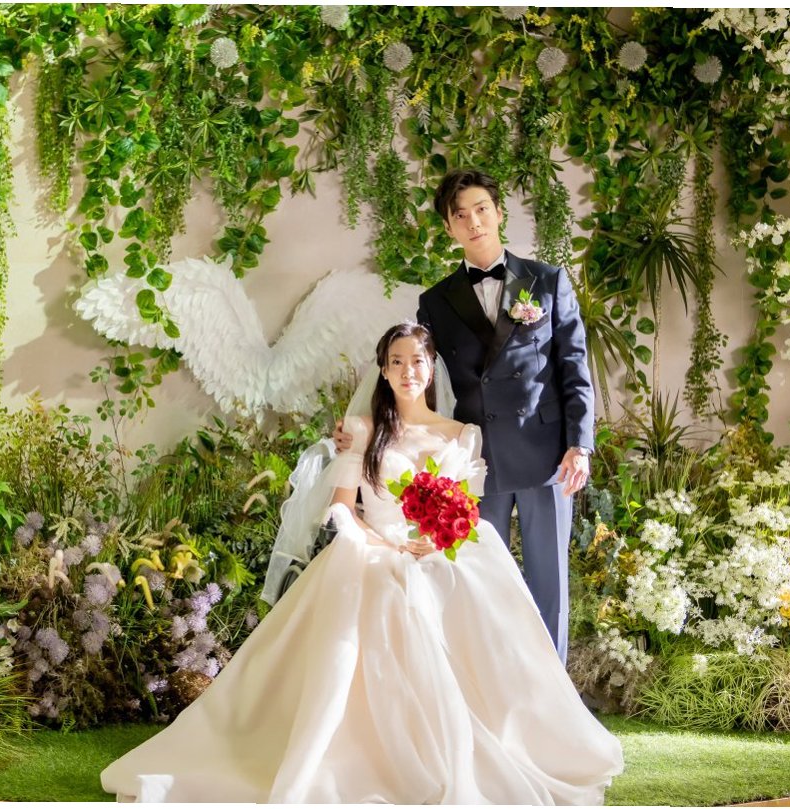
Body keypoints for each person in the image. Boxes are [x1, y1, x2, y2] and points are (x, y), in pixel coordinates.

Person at [100, 321, 622, 804]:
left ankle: (479, 744)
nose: (408, 371)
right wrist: (382, 545)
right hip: (374, 548)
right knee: (382, 595)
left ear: (431, 366)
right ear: (383, 370)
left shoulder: (462, 434)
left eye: (417, 361)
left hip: (438, 550)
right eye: (396, 362)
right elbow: (342, 508)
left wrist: (440, 538)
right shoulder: (363, 429)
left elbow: (466, 509)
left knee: (465, 595)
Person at [336, 168, 595, 664]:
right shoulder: (435, 301)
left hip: (546, 457)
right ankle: (487, 689)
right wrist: (365, 429)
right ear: (449, 227)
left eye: (481, 210)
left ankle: (554, 694)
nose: (473, 222)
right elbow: (417, 378)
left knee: (550, 585)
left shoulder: (547, 281)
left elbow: (574, 367)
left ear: (498, 213)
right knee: (476, 584)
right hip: (476, 463)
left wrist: (579, 445)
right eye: (461, 215)